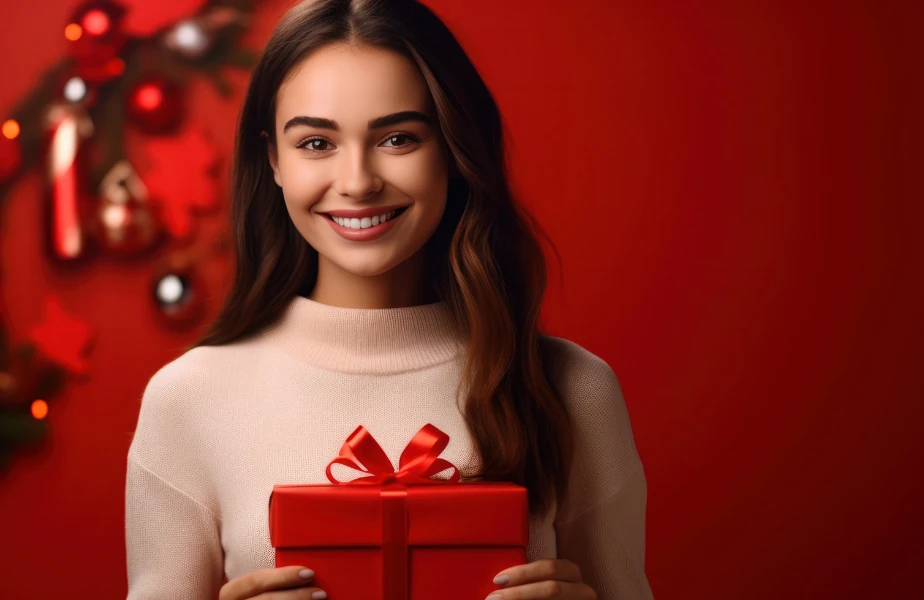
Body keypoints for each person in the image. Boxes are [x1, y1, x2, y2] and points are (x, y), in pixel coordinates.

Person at [124, 0, 653, 598]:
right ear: (273, 159)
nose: (357, 182)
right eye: (316, 143)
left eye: (398, 138)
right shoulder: (189, 399)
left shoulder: (573, 389)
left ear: (454, 147)